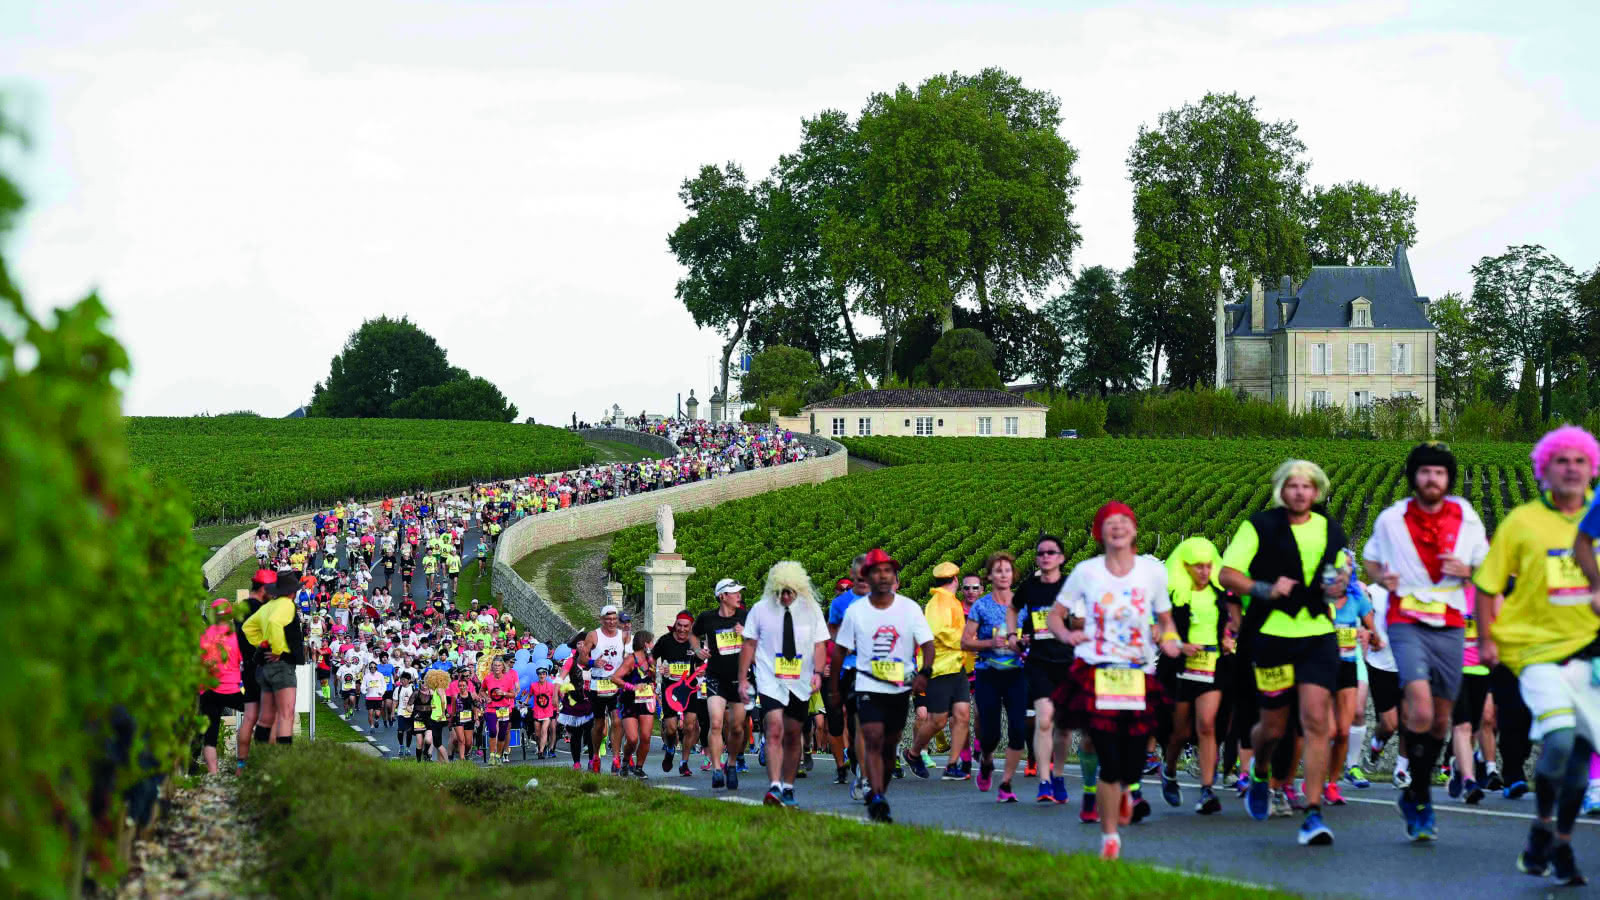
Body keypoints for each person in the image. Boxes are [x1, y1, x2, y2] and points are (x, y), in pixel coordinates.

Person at [1479, 425, 1600, 885]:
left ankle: (1558, 843)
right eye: (1561, 460)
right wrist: (1488, 639)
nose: (1570, 468)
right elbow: (1488, 585)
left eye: (1580, 460)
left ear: (1593, 469)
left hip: (1592, 654)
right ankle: (1543, 825)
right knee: (1561, 743)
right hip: (1536, 652)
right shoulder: (1521, 522)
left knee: (1579, 760)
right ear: (1544, 469)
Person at [1362, 442, 1489, 841]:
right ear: (1414, 477)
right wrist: (1382, 578)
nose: (1431, 478)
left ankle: (1418, 788)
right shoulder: (1391, 519)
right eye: (1424, 471)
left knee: (1440, 717)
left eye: (1439, 472)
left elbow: (1486, 567)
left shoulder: (1466, 517)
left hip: (1451, 623)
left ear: (1448, 478)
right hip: (1406, 621)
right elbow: (1370, 558)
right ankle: (1420, 795)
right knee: (1418, 705)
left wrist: (1467, 569)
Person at [1218, 459, 1348, 846]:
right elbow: (1228, 574)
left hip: (1318, 635)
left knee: (1315, 721)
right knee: (1274, 727)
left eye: (1307, 486)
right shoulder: (1258, 526)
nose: (1300, 492)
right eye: (1292, 485)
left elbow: (1340, 579)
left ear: (1317, 491)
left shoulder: (1331, 529)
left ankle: (1312, 813)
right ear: (1281, 489)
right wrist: (1264, 589)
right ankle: (1260, 771)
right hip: (1272, 636)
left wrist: (1339, 586)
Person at [1049, 501, 1181, 860]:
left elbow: (1165, 618)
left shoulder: (1152, 574)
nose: (1118, 527)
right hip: (1098, 671)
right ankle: (1110, 838)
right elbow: (1055, 616)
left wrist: (1169, 640)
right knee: (1107, 753)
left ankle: (1125, 788)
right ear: (1100, 533)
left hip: (1138, 673)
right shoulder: (1086, 572)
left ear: (1135, 530)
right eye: (1110, 523)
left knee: (1134, 757)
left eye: (1124, 522)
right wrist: (1066, 635)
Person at [828, 548, 934, 824]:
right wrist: (835, 689)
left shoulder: (909, 607)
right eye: (878, 571)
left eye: (888, 571)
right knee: (871, 734)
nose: (884, 576)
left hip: (898, 686)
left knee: (889, 745)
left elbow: (927, 644)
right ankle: (875, 795)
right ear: (867, 576)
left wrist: (925, 672)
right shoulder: (855, 611)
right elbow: (839, 651)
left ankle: (878, 787)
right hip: (866, 683)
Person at [739, 561, 829, 808]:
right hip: (771, 679)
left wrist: (818, 673)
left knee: (793, 734)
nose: (786, 597)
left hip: (800, 680)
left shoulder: (811, 610)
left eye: (791, 592)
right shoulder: (760, 610)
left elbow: (820, 644)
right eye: (781, 592)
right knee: (774, 727)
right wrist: (744, 677)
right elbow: (749, 644)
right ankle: (775, 786)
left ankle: (788, 786)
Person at [1158, 537, 1231, 815]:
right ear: (1186, 567)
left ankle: (1206, 790)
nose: (1203, 571)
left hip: (1212, 666)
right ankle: (1170, 769)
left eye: (1207, 566)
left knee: (1207, 726)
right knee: (1180, 732)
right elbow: (1164, 629)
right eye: (1197, 566)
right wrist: (1180, 645)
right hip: (1181, 670)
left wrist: (1228, 637)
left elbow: (1232, 621)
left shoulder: (1218, 594)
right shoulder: (1175, 596)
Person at [964, 551, 1031, 804]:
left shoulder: (1022, 604)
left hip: (1016, 673)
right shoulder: (981, 606)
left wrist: (1024, 642)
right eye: (998, 570)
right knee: (990, 733)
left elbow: (1032, 636)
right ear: (989, 575)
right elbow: (965, 642)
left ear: (1014, 575)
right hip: (988, 673)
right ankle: (988, 761)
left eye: (1008, 570)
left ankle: (1006, 783)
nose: (1003, 574)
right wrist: (990, 642)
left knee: (1017, 729)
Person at [904, 561, 973, 781]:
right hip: (939, 668)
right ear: (955, 580)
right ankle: (913, 753)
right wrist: (967, 641)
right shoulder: (937, 603)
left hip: (957, 666)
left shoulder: (952, 601)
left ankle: (952, 765)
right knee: (938, 720)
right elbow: (939, 631)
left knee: (962, 715)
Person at [1019, 535, 1074, 807]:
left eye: (1052, 552)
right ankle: (1044, 781)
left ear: (1061, 557)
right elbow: (1015, 613)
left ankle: (1059, 775)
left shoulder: (1072, 589)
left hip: (1066, 661)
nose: (1046, 557)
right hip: (1039, 662)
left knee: (1063, 728)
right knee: (1044, 720)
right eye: (1041, 553)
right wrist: (1015, 635)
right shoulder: (1029, 587)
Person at [694, 581, 750, 790]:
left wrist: (745, 633)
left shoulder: (746, 617)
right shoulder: (707, 618)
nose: (739, 596)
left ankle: (732, 763)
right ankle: (717, 769)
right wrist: (698, 650)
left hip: (740, 677)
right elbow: (693, 634)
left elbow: (759, 642)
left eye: (739, 593)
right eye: (735, 593)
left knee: (736, 727)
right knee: (716, 723)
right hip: (715, 675)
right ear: (722, 596)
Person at [242, 573, 306, 746]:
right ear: (292, 592)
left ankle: (261, 758)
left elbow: (248, 627)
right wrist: (277, 649)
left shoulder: (268, 606)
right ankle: (283, 762)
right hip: (282, 664)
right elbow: (275, 622)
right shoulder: (286, 605)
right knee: (286, 714)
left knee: (266, 717)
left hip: (265, 666)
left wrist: (262, 643)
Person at [827, 556, 871, 790]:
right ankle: (861, 770)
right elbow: (832, 630)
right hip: (851, 670)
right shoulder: (840, 604)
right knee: (857, 725)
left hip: (880, 669)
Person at [577, 605, 629, 774]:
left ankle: (616, 758)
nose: (611, 622)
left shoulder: (624, 636)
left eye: (614, 619)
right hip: (598, 684)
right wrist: (593, 663)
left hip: (616, 684)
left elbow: (630, 658)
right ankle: (595, 756)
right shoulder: (594, 635)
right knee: (599, 725)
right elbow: (582, 658)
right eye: (608, 619)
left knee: (617, 720)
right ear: (601, 620)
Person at [652, 611, 703, 776]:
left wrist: (701, 671)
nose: (681, 629)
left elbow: (702, 664)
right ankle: (670, 748)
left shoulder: (695, 643)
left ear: (691, 627)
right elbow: (651, 659)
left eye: (685, 626)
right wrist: (657, 670)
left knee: (689, 727)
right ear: (675, 624)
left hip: (690, 690)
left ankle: (684, 762)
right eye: (679, 625)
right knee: (671, 728)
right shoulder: (665, 641)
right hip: (670, 690)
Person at [197, 599, 245, 775]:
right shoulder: (235, 635)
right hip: (232, 688)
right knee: (253, 713)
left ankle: (213, 773)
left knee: (210, 734)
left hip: (208, 690)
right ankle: (241, 766)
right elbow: (242, 660)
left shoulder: (205, 636)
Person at [234, 570, 274, 770]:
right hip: (263, 666)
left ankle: (242, 764)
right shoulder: (262, 610)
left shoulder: (240, 608)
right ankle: (265, 763)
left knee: (249, 716)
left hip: (246, 667)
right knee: (269, 717)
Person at [614, 631, 659, 777]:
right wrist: (632, 687)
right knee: (632, 739)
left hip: (646, 702)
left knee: (646, 737)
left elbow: (651, 680)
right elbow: (614, 678)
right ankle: (626, 761)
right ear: (645, 643)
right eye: (651, 642)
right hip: (629, 702)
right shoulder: (630, 660)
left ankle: (639, 767)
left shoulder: (652, 660)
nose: (653, 645)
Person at [482, 657, 518, 765]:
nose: (497, 667)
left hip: (503, 709)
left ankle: (498, 756)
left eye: (499, 665)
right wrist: (486, 697)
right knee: (493, 731)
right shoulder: (488, 679)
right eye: (495, 665)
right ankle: (492, 756)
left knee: (502, 734)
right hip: (491, 708)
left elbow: (513, 694)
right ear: (492, 667)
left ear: (503, 667)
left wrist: (504, 693)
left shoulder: (508, 679)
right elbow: (482, 690)